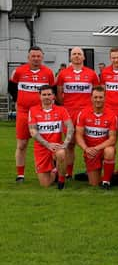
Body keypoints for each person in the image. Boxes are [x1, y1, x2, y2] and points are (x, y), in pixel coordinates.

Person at [9, 46, 56, 182]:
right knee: (22, 144)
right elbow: (12, 89)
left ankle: (51, 171)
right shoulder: (18, 72)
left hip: (42, 113)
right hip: (24, 112)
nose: (36, 58)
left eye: (38, 56)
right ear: (28, 57)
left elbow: (52, 92)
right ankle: (20, 175)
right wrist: (19, 101)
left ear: (42, 57)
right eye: (33, 56)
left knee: (48, 144)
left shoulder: (48, 73)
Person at [56, 46, 100, 179]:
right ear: (70, 57)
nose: (76, 56)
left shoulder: (91, 73)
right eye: (74, 54)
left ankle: (90, 171)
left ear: (83, 57)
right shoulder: (63, 74)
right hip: (69, 112)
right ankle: (69, 173)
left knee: (90, 142)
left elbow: (97, 93)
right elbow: (59, 93)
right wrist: (65, 107)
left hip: (86, 112)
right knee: (69, 143)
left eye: (79, 54)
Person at [27, 85, 74, 189]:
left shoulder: (61, 110)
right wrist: (47, 144)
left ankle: (61, 182)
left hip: (56, 147)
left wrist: (65, 144)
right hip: (41, 148)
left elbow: (70, 127)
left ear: (53, 96)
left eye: (49, 94)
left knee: (61, 153)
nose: (47, 97)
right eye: (44, 95)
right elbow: (33, 131)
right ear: (39, 96)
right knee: (45, 184)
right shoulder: (33, 110)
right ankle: (55, 170)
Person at [75, 86, 118, 188]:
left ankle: (106, 182)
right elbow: (78, 135)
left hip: (102, 149)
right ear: (91, 98)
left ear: (105, 98)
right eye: (95, 97)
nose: (98, 100)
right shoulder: (83, 113)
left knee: (110, 150)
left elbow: (113, 139)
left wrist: (97, 148)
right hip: (90, 151)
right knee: (94, 183)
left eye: (100, 97)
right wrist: (86, 149)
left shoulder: (112, 115)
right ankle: (115, 175)